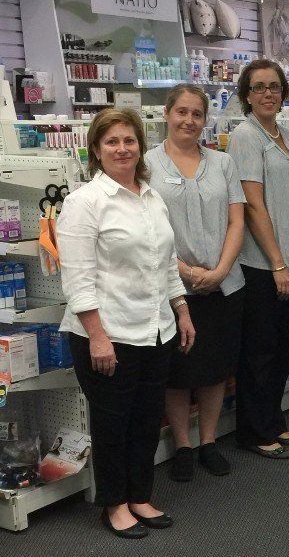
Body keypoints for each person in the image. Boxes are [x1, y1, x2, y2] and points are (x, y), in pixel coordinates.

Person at [58, 109, 195, 538]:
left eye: (129, 141)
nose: (122, 149)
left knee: (146, 418)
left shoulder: (150, 198)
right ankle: (114, 504)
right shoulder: (84, 203)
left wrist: (182, 309)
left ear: (140, 146)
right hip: (108, 335)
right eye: (112, 142)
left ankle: (140, 495)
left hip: (155, 330)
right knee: (113, 423)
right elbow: (77, 280)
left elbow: (165, 263)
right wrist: (98, 337)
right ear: (96, 150)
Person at [146, 85, 245, 481]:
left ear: (206, 118)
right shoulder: (147, 164)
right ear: (167, 113)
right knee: (177, 370)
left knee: (215, 367)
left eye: (197, 114)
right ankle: (182, 446)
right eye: (181, 112)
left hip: (223, 282)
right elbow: (148, 229)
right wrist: (184, 271)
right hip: (174, 286)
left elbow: (237, 220)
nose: (189, 120)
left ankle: (208, 441)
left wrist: (221, 269)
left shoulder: (222, 163)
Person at [227, 60, 289, 459]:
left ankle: (274, 420)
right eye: (258, 87)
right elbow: (254, 206)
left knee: (281, 348)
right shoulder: (245, 136)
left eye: (274, 87)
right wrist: (277, 263)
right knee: (259, 350)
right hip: (263, 265)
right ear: (246, 95)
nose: (267, 94)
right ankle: (254, 431)